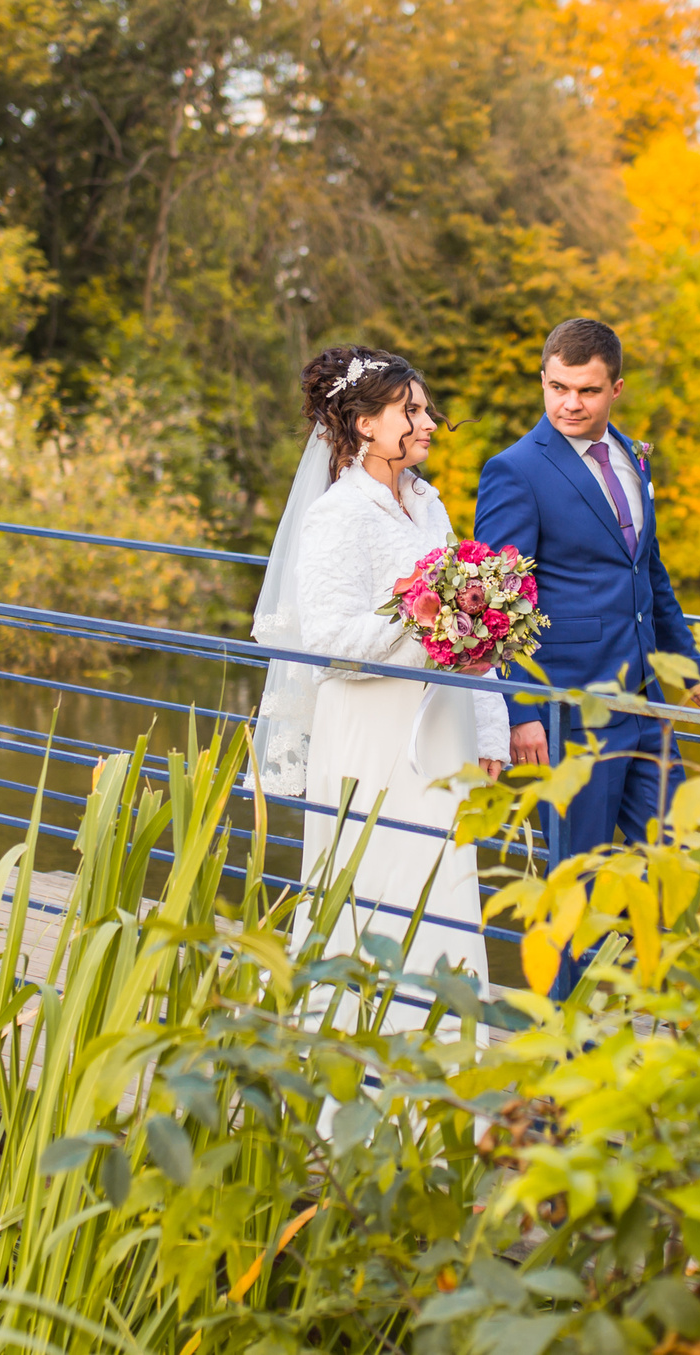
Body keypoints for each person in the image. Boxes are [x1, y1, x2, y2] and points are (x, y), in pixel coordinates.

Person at [250, 346, 509, 1007]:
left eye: (424, 410)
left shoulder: (429, 504)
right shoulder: (337, 514)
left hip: (440, 727)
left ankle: (446, 1055)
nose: (428, 423)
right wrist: (418, 616)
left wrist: (490, 730)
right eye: (411, 410)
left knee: (442, 879)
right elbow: (330, 638)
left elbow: (466, 627)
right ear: (365, 423)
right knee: (377, 883)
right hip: (370, 730)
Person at [473, 317, 700, 994]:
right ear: (544, 379)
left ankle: (666, 1030)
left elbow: (651, 576)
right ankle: (566, 1050)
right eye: (557, 387)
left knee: (674, 869)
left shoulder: (633, 457)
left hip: (646, 703)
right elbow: (500, 603)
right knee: (575, 884)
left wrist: (687, 663)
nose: (569, 403)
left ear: (616, 387)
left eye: (585, 390)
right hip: (570, 713)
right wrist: (521, 711)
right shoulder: (515, 471)